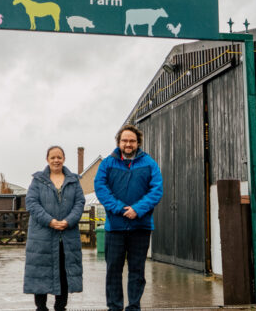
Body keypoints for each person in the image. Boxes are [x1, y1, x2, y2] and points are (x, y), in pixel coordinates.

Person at [94, 124, 163, 311]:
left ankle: (134, 306)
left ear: (138, 142)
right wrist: (120, 208)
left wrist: (137, 209)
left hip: (140, 227)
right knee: (113, 271)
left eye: (132, 140)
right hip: (115, 228)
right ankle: (114, 307)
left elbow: (156, 190)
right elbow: (101, 188)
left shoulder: (149, 163)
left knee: (137, 271)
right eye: (124, 140)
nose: (128, 144)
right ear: (119, 142)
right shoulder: (107, 164)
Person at [24, 146, 86, 311]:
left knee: (64, 272)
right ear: (47, 159)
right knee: (40, 271)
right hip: (42, 236)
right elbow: (31, 203)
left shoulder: (73, 180)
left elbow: (79, 203)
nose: (56, 160)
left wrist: (68, 221)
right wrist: (49, 221)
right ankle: (41, 307)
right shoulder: (38, 180)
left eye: (59, 157)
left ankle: (60, 306)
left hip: (67, 236)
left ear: (64, 159)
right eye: (53, 157)